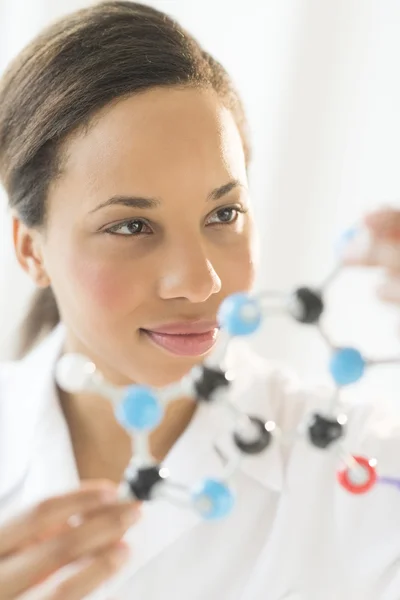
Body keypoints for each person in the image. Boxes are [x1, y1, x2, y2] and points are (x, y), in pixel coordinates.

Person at [0, 2, 400, 598]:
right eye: (132, 226)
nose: (199, 282)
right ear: (31, 250)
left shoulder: (357, 471)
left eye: (223, 213)